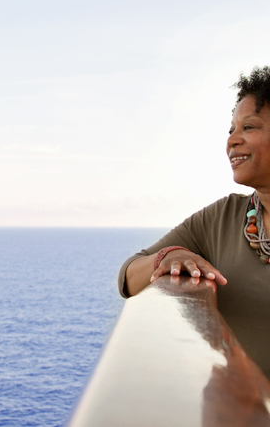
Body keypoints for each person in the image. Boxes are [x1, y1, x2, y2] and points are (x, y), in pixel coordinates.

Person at [118, 66, 270, 379]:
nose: (232, 141)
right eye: (231, 130)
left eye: (249, 128)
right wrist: (169, 256)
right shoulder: (222, 218)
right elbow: (129, 278)